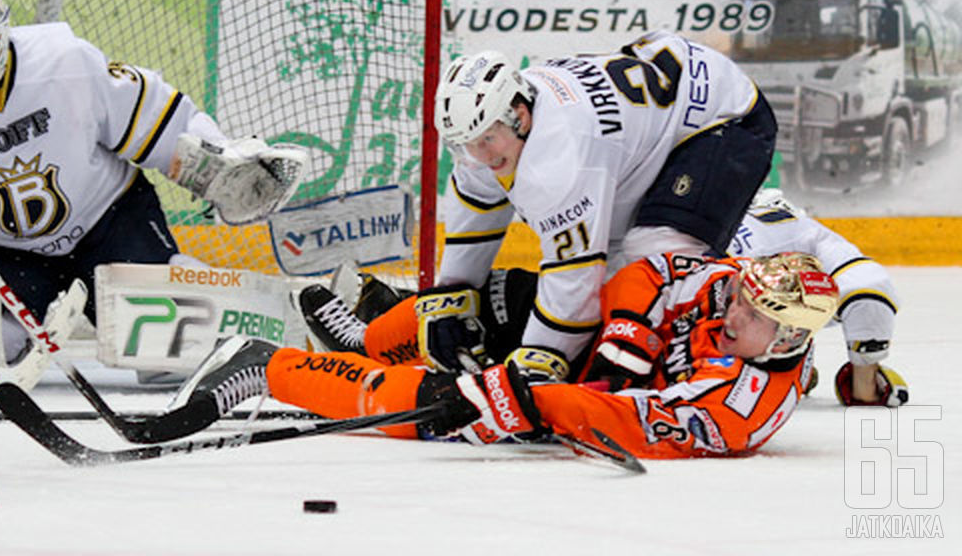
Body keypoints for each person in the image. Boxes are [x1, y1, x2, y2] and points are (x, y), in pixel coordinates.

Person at [0, 0, 306, 352]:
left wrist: (217, 162)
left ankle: (299, 315)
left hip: (107, 224)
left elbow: (154, 116)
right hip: (0, 253)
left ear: (5, 35)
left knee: (171, 348)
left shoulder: (63, 61)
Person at [177, 251, 838, 459]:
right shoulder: (739, 286)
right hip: (583, 337)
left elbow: (624, 422)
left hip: (567, 393)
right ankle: (366, 341)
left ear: (788, 341)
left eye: (752, 317)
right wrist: (629, 334)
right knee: (478, 301)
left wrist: (521, 397)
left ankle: (266, 365)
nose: (732, 313)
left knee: (432, 408)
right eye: (741, 300)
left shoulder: (736, 412)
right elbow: (653, 272)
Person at [296, 185, 910, 408]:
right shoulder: (657, 184)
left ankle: (382, 328)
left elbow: (867, 287)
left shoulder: (773, 216)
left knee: (490, 358)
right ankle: (377, 332)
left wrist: (863, 367)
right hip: (607, 315)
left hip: (680, 364)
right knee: (502, 296)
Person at [422, 32, 775, 385]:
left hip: (724, 117)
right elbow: (477, 204)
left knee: (652, 262)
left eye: (487, 139)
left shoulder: (560, 155)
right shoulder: (496, 126)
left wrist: (534, 368)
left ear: (520, 115)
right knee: (619, 283)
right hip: (660, 114)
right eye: (468, 143)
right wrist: (454, 293)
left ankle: (726, 356)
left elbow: (575, 279)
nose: (481, 155)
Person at [728, 189, 907, 406]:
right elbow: (869, 286)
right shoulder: (806, 232)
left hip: (700, 292)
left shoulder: (715, 221)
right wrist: (865, 377)